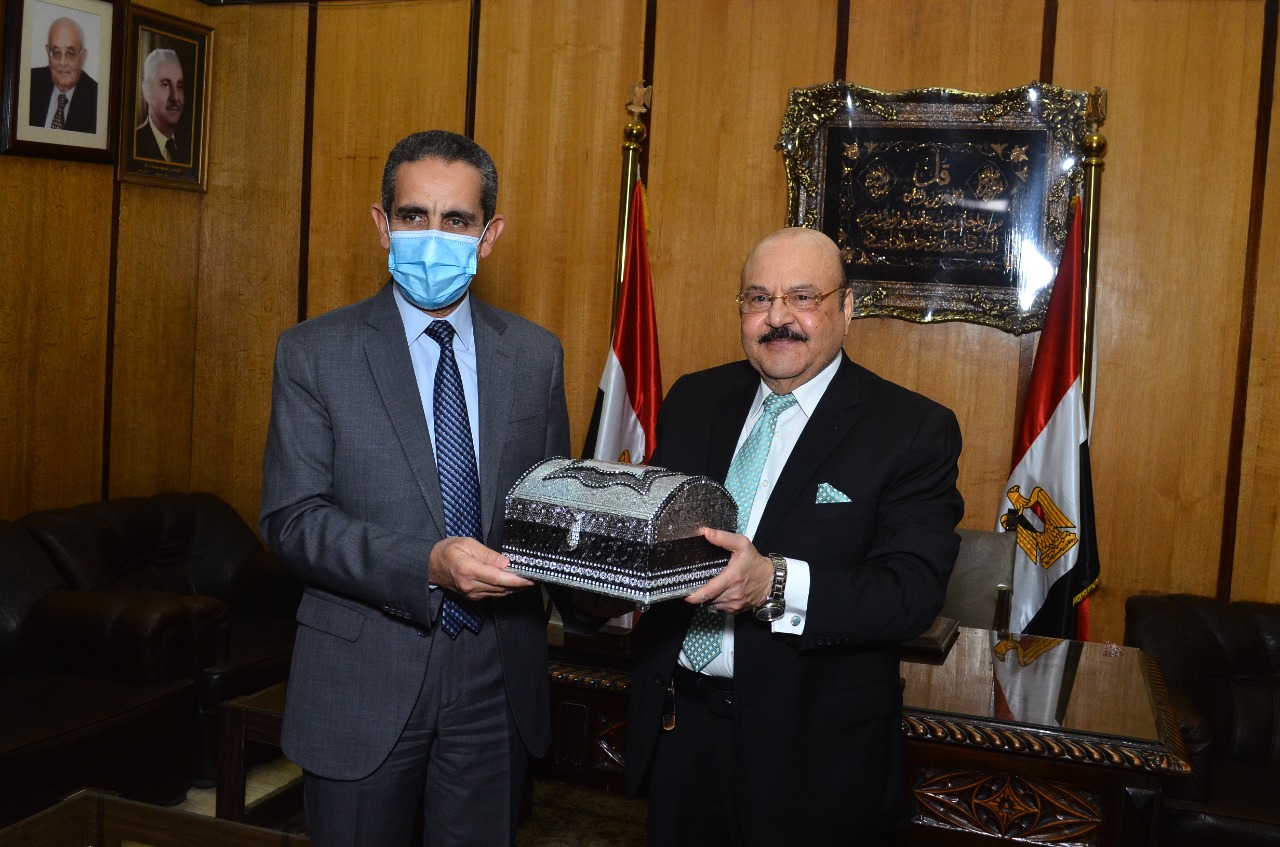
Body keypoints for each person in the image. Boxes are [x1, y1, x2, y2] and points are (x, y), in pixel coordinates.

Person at [260, 130, 586, 847]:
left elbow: (550, 507)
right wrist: (425, 565)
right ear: (383, 225)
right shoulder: (314, 352)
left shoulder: (535, 356)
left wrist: (615, 561)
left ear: (488, 236)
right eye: (414, 215)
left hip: (496, 678)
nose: (433, 237)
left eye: (457, 220)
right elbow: (293, 519)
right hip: (363, 676)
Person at [624, 226, 964, 846]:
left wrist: (773, 584)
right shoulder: (694, 399)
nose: (778, 318)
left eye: (803, 298)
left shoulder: (911, 429)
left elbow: (911, 593)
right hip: (679, 733)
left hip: (814, 759)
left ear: (847, 307)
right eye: (759, 299)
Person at [29, 17, 97, 133]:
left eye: (70, 53)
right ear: (48, 52)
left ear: (82, 56)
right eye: (56, 52)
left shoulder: (96, 100)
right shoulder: (29, 82)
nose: (62, 62)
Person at [134, 48, 188, 164]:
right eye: (165, 85)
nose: (175, 97)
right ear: (147, 91)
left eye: (179, 87)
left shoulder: (189, 149)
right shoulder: (133, 145)